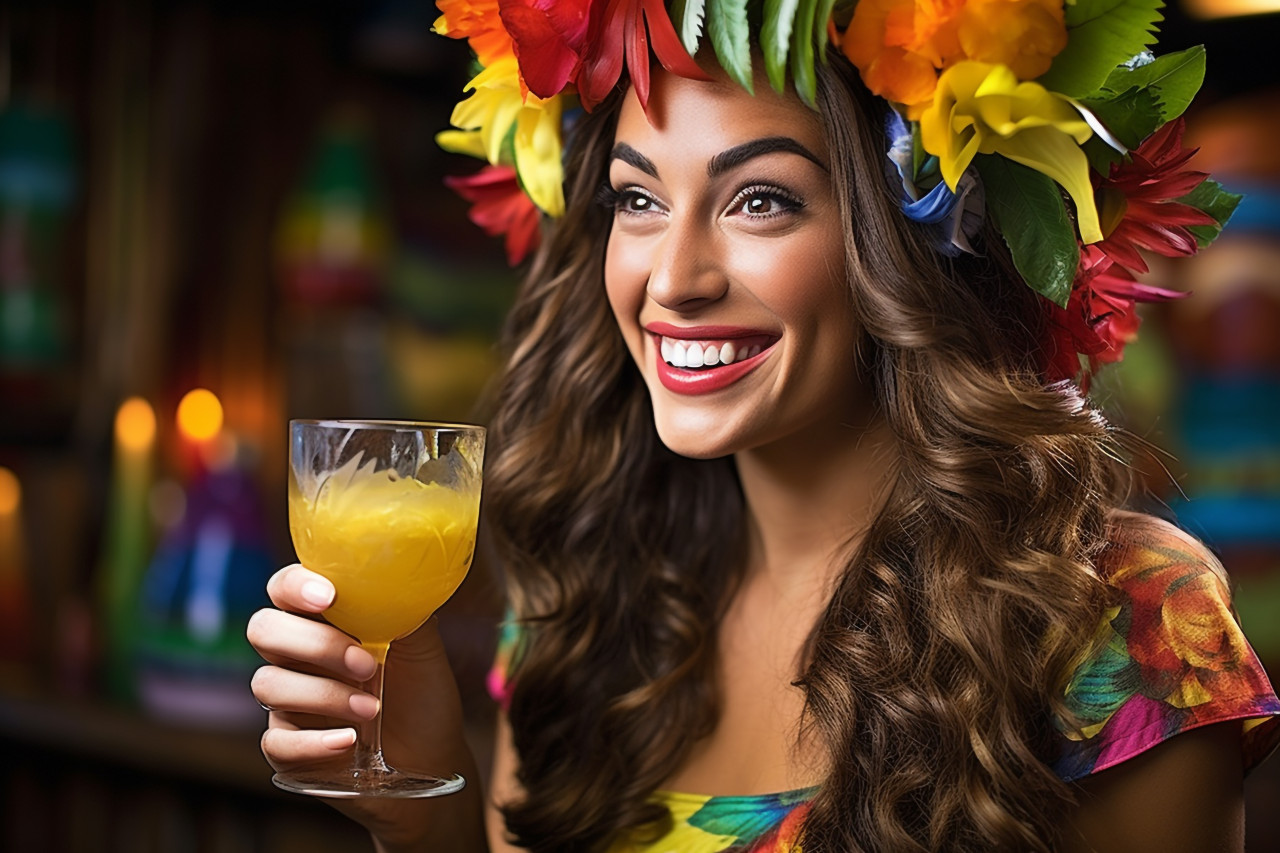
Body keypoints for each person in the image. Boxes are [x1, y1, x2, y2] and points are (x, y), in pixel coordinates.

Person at [247, 1, 1280, 850]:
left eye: (758, 202)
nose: (674, 279)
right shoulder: (581, 593)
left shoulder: (1125, 619)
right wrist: (421, 798)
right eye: (637, 199)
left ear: (910, 240)